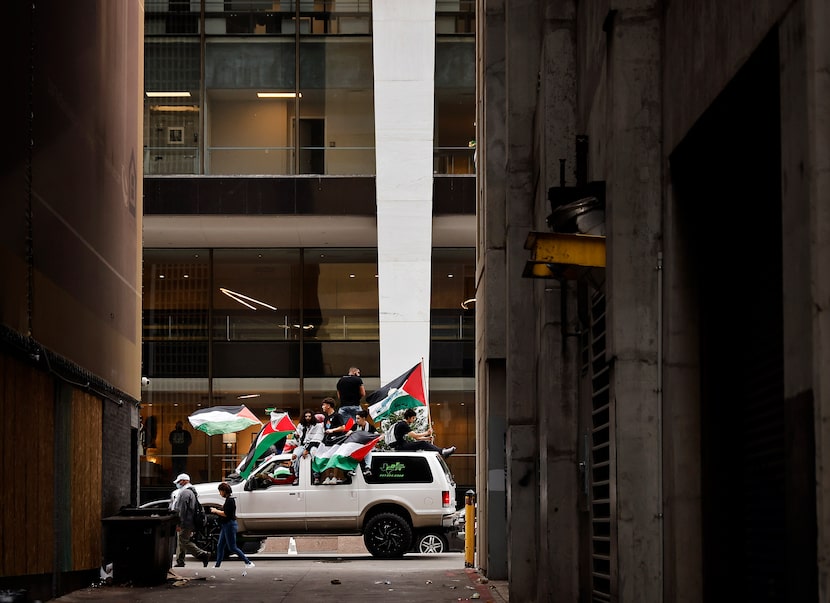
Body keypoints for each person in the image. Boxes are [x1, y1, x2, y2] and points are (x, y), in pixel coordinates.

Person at [210, 482, 255, 569]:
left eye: (220, 491)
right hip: (226, 525)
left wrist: (216, 511)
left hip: (229, 525)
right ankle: (217, 565)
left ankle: (248, 562)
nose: (220, 493)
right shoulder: (229, 499)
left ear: (224, 491)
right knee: (220, 545)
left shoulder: (230, 500)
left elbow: (226, 514)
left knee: (232, 547)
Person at [172, 473, 211, 568]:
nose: (178, 483)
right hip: (188, 522)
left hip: (185, 522)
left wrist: (179, 523)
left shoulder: (185, 493)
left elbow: (182, 509)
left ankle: (202, 554)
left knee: (183, 540)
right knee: (181, 540)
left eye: (179, 481)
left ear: (185, 481)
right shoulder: (191, 492)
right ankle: (180, 560)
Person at [386, 408, 456, 458]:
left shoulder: (401, 424)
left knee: (423, 444)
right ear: (409, 417)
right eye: (413, 418)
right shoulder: (403, 425)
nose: (414, 420)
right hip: (401, 447)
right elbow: (415, 436)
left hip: (400, 446)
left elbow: (417, 437)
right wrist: (427, 432)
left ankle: (442, 451)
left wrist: (427, 438)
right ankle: (443, 452)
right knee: (422, 444)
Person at [318, 397, 347, 484]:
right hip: (327, 442)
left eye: (323, 405)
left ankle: (334, 477)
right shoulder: (326, 418)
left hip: (336, 442)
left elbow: (343, 427)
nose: (322, 407)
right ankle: (327, 477)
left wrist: (332, 430)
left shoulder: (338, 416)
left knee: (334, 460)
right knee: (326, 459)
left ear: (328, 406)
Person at [291, 410, 324, 479]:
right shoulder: (300, 425)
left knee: (314, 454)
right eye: (306, 416)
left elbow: (317, 439)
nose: (308, 418)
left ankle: (316, 476)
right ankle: (297, 476)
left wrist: (307, 449)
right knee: (295, 456)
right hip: (302, 445)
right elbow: (297, 439)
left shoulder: (318, 426)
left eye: (309, 416)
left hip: (313, 445)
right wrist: (296, 436)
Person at [351, 409, 378, 477]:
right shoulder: (355, 426)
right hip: (357, 447)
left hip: (367, 447)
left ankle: (367, 468)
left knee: (368, 451)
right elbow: (349, 433)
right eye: (356, 418)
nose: (356, 420)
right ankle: (352, 469)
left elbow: (376, 434)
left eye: (358, 418)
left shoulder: (370, 427)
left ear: (363, 418)